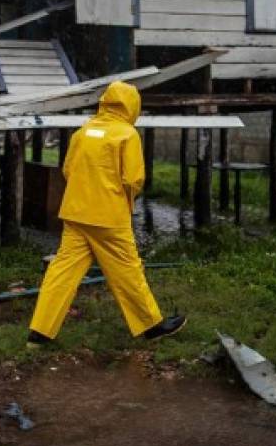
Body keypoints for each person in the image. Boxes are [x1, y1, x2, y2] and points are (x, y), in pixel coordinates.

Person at [27, 80, 186, 348]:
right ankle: (151, 326)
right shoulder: (127, 134)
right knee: (128, 271)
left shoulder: (83, 132)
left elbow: (67, 170)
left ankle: (39, 334)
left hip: (76, 214)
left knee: (61, 272)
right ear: (132, 106)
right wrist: (121, 200)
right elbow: (133, 179)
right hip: (109, 218)